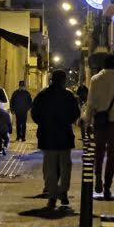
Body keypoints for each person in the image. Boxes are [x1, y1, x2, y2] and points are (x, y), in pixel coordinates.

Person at [31, 69, 81, 211]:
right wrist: (66, 122)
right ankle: (63, 192)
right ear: (63, 80)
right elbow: (75, 114)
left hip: (47, 136)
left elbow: (34, 114)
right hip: (64, 136)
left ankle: (52, 196)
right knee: (65, 167)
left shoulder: (43, 95)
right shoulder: (68, 96)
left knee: (50, 167)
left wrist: (43, 124)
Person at [83, 54, 114, 199]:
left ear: (103, 65)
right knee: (112, 155)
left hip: (99, 122)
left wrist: (87, 122)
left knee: (99, 153)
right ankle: (107, 186)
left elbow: (90, 103)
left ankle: (97, 177)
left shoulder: (95, 79)